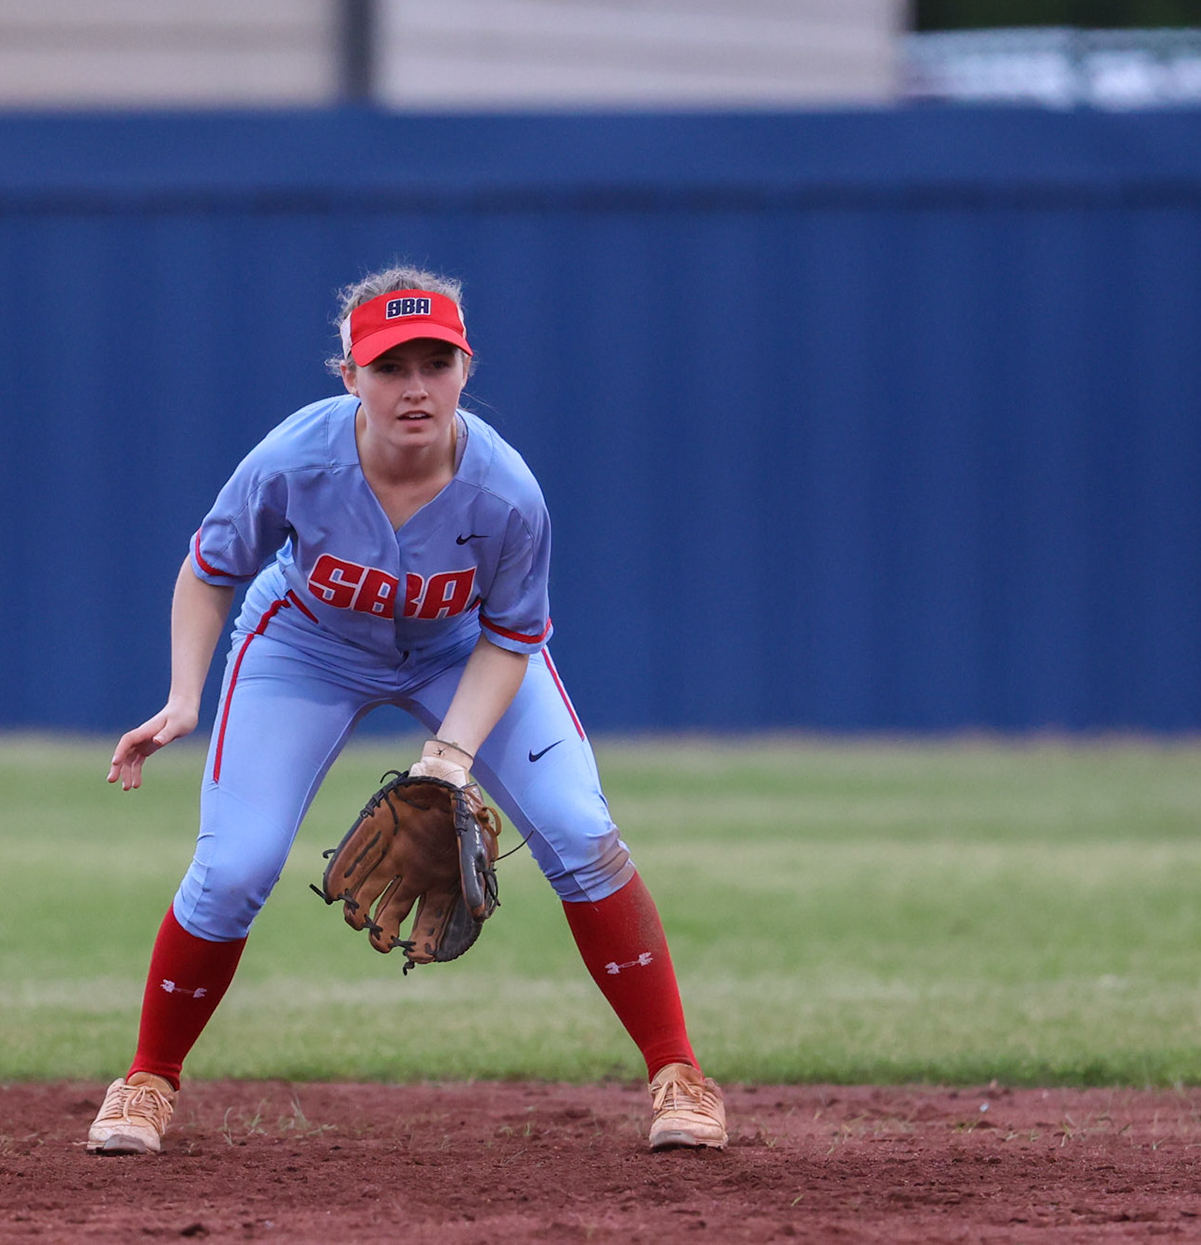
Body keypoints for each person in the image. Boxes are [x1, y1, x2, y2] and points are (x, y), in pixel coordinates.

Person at [87, 267, 727, 1156]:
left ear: (467, 369)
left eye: (436, 362)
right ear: (349, 376)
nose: (415, 387)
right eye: (391, 366)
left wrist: (449, 756)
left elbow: (512, 635)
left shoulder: (507, 494)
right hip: (306, 646)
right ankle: (147, 1081)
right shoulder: (294, 460)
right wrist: (184, 696)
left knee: (582, 833)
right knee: (234, 867)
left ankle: (680, 1074)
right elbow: (210, 569)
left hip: (465, 649)